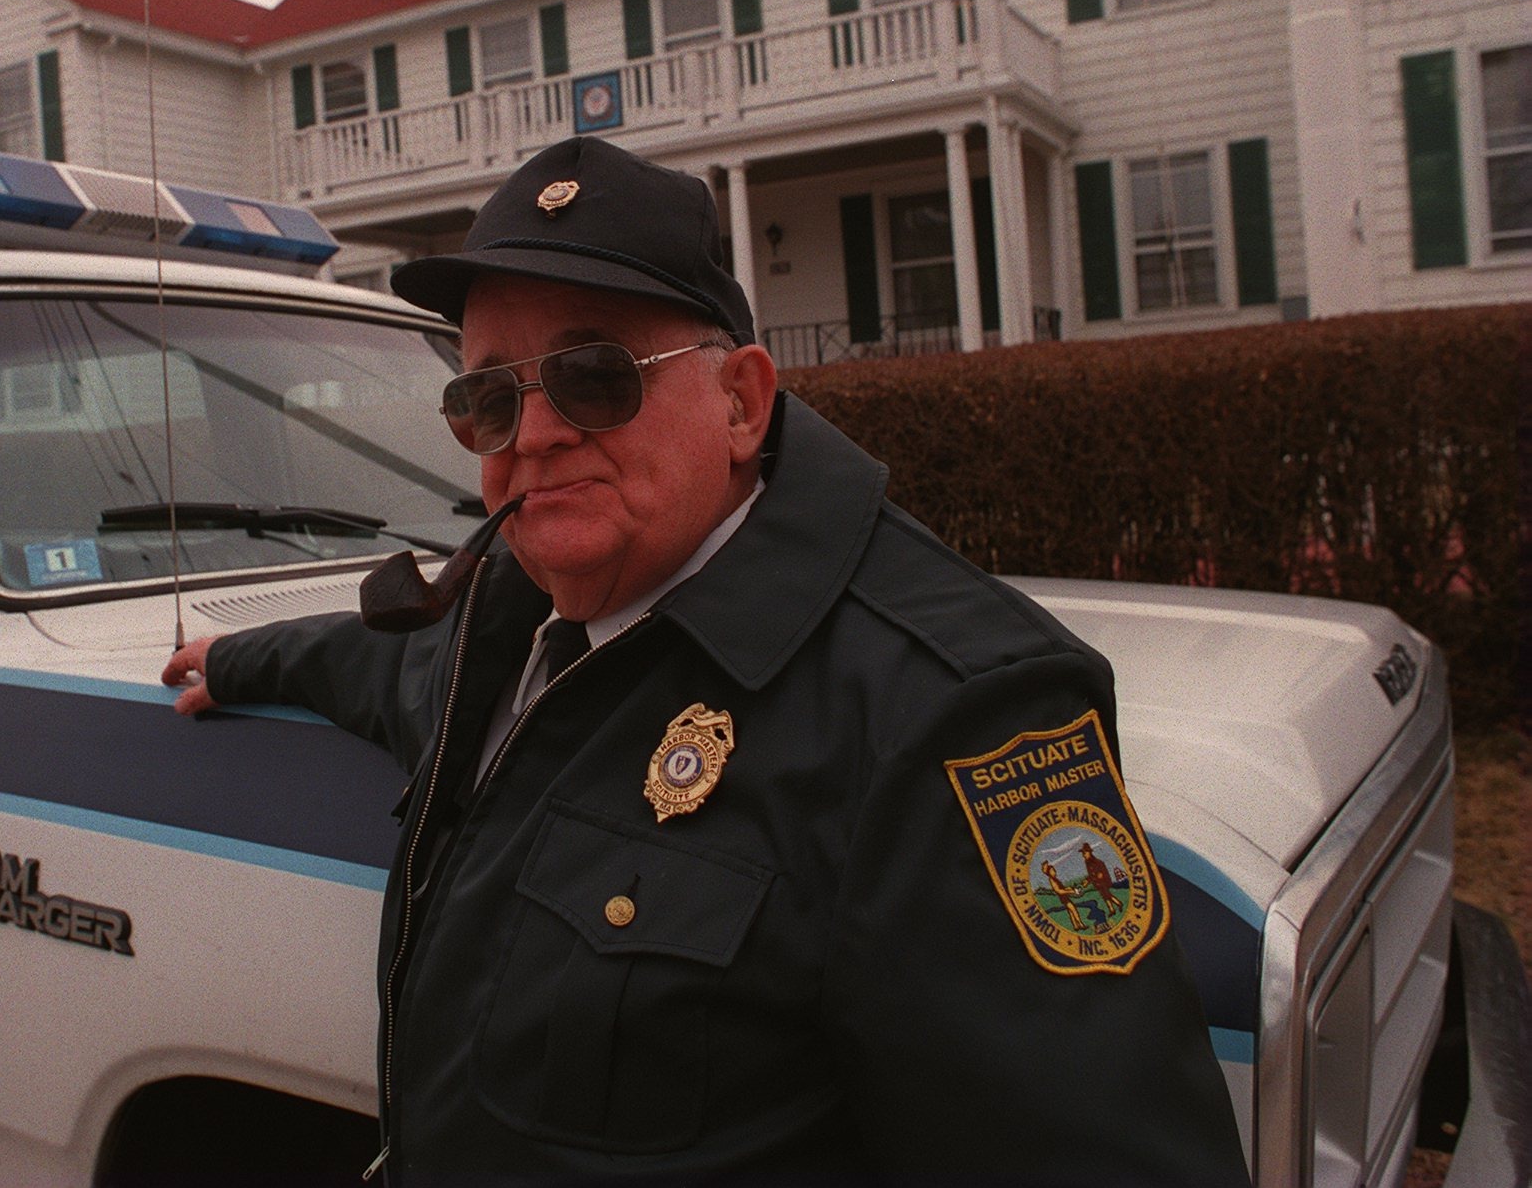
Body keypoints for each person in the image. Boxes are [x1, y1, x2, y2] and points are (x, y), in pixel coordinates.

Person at [163, 135, 1249, 1184]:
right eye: (487, 397)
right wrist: (238, 662)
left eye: (592, 376)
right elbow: (370, 664)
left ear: (739, 401)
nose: (532, 433)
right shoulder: (503, 620)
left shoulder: (948, 716)